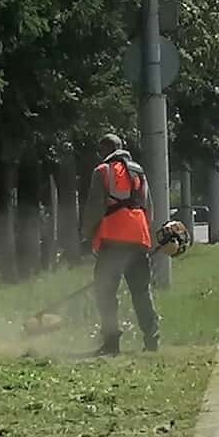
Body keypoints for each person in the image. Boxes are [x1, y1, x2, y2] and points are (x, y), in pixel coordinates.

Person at [81, 133, 159, 355]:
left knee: (105, 291)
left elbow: (95, 208)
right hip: (139, 238)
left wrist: (87, 234)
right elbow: (148, 208)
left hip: (113, 239)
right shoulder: (139, 172)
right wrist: (144, 235)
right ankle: (152, 340)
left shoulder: (102, 171)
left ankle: (111, 342)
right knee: (141, 291)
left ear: (104, 150)